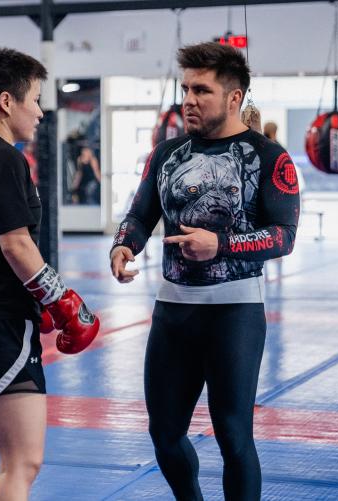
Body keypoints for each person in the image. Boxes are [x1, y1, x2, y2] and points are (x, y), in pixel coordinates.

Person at [110, 42, 300, 501]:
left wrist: (223, 244)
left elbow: (284, 236)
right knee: (165, 435)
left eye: (202, 90)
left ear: (234, 98)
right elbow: (140, 214)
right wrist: (124, 244)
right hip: (173, 312)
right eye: (186, 89)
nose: (189, 99)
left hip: (234, 313)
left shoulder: (269, 156)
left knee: (234, 438)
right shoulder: (167, 153)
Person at [0, 48, 100, 501]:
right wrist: (60, 298)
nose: (41, 112)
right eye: (36, 100)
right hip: (4, 327)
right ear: (8, 101)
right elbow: (15, 244)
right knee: (22, 463)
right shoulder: (5, 159)